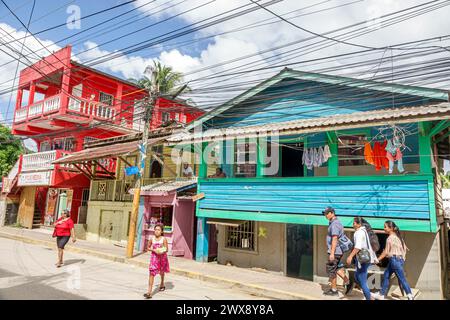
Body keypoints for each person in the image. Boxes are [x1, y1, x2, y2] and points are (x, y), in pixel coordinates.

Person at [372, 221, 414, 300]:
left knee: (401, 278)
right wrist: (401, 259)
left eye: (385, 227)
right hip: (397, 260)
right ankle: (381, 294)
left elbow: (385, 252)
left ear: (391, 228)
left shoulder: (390, 238)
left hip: (394, 261)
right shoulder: (399, 237)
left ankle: (410, 295)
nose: (384, 228)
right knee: (386, 275)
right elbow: (404, 249)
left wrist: (377, 259)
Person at [323, 207, 353, 296]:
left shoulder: (335, 224)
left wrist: (332, 253)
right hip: (337, 251)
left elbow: (335, 238)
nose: (325, 215)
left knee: (331, 269)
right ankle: (348, 281)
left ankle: (334, 290)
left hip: (335, 251)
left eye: (326, 213)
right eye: (324, 213)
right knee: (336, 268)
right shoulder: (334, 223)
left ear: (332, 213)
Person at [346, 217, 378, 300]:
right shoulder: (363, 231)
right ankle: (369, 295)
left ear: (359, 224)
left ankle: (369, 297)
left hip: (363, 260)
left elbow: (358, 247)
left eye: (354, 223)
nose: (353, 224)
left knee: (362, 280)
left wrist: (350, 256)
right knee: (357, 277)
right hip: (364, 259)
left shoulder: (359, 232)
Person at [144, 224, 170, 299]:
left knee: (162, 272)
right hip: (154, 259)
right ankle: (149, 292)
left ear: (161, 231)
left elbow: (167, 249)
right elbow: (148, 247)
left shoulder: (164, 239)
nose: (157, 231)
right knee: (151, 273)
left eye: (158, 230)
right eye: (155, 229)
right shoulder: (152, 239)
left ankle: (162, 283)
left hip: (162, 259)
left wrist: (161, 250)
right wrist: (154, 250)